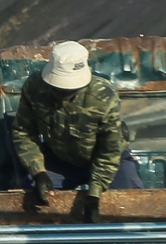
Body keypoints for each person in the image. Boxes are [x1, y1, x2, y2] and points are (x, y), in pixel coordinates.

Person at [11, 41, 143, 220]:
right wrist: (38, 171)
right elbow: (23, 131)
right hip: (60, 160)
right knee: (33, 200)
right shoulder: (34, 87)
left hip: (107, 162)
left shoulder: (103, 96)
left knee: (130, 207)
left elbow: (109, 149)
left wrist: (94, 196)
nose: (62, 92)